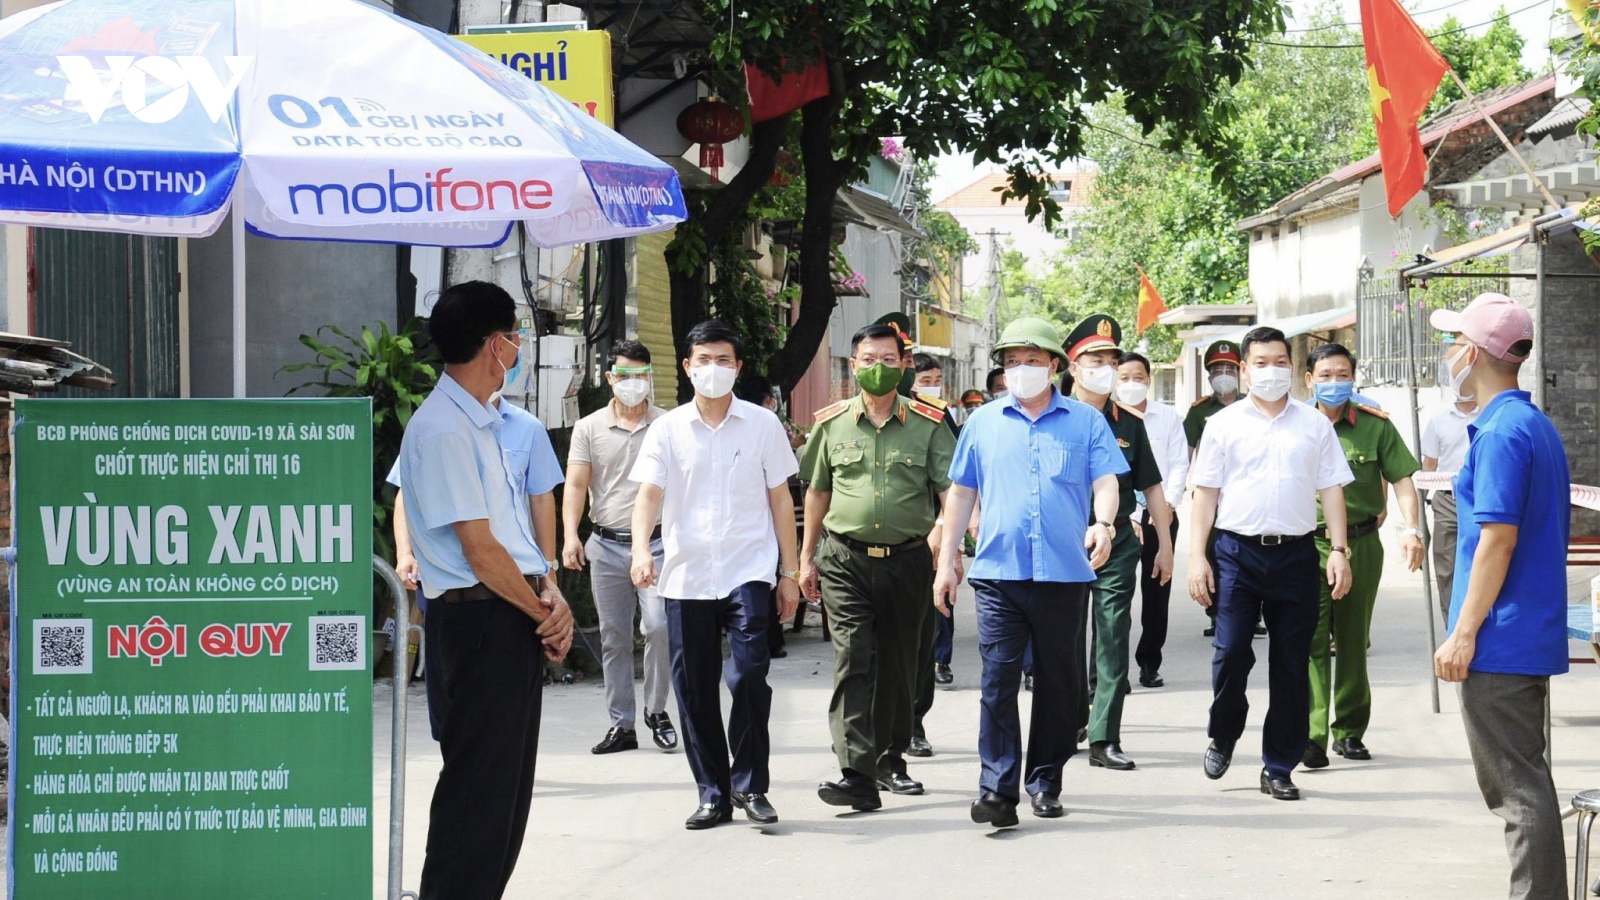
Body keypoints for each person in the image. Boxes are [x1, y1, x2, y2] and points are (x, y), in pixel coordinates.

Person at [395, 280, 574, 900]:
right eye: (515, 334)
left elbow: (512, 532)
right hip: (480, 622)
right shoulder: (444, 427)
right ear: (496, 344)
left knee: (504, 792)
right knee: (477, 791)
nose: (520, 345)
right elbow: (478, 548)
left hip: (506, 613)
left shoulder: (486, 421)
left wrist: (548, 592)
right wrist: (540, 612)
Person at [934, 317, 1124, 828]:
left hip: (1064, 575)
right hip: (998, 574)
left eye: (1032, 361)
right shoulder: (983, 423)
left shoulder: (1085, 422)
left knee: (1060, 685)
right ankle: (996, 789)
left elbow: (1106, 480)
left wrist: (1103, 524)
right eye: (1012, 362)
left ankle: (1045, 779)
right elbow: (961, 493)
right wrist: (946, 561)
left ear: (1054, 366)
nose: (1022, 370)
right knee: (997, 680)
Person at [628, 320, 802, 831]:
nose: (712, 369)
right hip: (686, 574)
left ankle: (750, 785)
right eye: (702, 360)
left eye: (723, 360)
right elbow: (649, 496)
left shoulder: (763, 425)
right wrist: (642, 550)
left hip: (748, 568)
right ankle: (712, 793)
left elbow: (778, 498)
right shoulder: (667, 428)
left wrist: (788, 573)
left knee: (750, 674)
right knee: (694, 686)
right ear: (686, 367)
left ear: (738, 367)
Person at [1431, 293, 1570, 900]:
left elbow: (1496, 541)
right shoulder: (1529, 423)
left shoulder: (1502, 432)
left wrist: (1463, 631)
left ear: (1475, 353)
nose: (1450, 353)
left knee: (1517, 790)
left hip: (1500, 637)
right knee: (1526, 783)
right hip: (1523, 632)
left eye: (1455, 341)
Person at [1187, 326, 1352, 803]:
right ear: (1244, 370)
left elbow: (1332, 489)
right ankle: (1223, 733)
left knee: (1291, 664)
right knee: (1232, 652)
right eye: (1261, 362)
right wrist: (1197, 556)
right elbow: (1205, 495)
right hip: (1237, 553)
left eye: (1280, 361)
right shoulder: (1223, 424)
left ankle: (1279, 764)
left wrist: (1338, 551)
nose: (1271, 370)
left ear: (1292, 368)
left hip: (1297, 554)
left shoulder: (1314, 424)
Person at [799, 325, 957, 811]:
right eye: (868, 359)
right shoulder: (831, 424)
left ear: (903, 365)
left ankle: (892, 759)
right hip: (845, 558)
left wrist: (946, 548)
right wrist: (804, 559)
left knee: (899, 664)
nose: (878, 368)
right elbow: (818, 491)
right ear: (853, 365)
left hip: (910, 560)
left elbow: (953, 492)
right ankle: (855, 772)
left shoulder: (929, 424)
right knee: (853, 660)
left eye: (889, 359)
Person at [390, 378, 564, 740]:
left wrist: (548, 574)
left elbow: (540, 499)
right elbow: (409, 492)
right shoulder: (441, 426)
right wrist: (405, 551)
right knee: (458, 712)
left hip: (515, 583)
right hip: (458, 586)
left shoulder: (525, 428)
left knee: (504, 729)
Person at [1298, 344, 1424, 771]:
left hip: (1362, 543)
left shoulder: (1374, 426)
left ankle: (1349, 731)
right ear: (1309, 380)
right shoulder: (1293, 424)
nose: (1335, 382)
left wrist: (1411, 528)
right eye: (1326, 375)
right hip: (1307, 545)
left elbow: (1404, 479)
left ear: (1354, 378)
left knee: (1352, 638)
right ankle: (1311, 734)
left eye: (1343, 374)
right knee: (1310, 638)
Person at [1064, 315, 1173, 772]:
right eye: (1095, 359)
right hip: (1062, 541)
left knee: (1112, 635)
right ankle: (1068, 721)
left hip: (1119, 541)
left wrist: (1164, 544)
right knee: (1063, 639)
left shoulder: (1128, 421)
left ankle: (1104, 735)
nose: (1105, 368)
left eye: (1112, 359)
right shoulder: (1050, 416)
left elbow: (1151, 488)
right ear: (1073, 366)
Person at [561, 340, 677, 756]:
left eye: (641, 376)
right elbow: (575, 484)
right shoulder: (589, 427)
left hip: (660, 544)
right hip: (606, 545)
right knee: (613, 637)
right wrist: (570, 535)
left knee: (659, 627)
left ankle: (657, 711)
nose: (633, 384)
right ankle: (621, 724)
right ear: (610, 378)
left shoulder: (668, 423)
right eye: (624, 376)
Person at [1116, 351, 1189, 689]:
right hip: (1120, 518)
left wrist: (1168, 505)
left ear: (1149, 379)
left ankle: (1149, 662)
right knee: (1117, 594)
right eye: (1124, 378)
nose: (1132, 384)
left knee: (1157, 591)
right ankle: (1115, 667)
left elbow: (1178, 463)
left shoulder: (1167, 417)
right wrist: (1129, 513)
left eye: (1138, 377)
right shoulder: (1107, 417)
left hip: (1160, 516)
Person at [1184, 339, 1244, 638]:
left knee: (1249, 552)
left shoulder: (1253, 404)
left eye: (1229, 368)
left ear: (1239, 371)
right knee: (1214, 551)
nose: (1223, 374)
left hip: (1246, 495)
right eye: (1217, 369)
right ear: (1209, 376)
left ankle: (1251, 611)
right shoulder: (1200, 412)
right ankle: (1216, 612)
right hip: (1210, 496)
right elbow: (1186, 451)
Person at [738, 372, 799, 659]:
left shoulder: (765, 425)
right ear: (769, 400)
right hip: (761, 524)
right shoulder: (766, 424)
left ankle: (768, 639)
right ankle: (772, 639)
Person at [911, 352, 959, 689]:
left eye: (935, 380)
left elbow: (956, 478)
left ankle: (941, 658)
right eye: (924, 380)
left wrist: (946, 526)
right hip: (908, 523)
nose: (932, 387)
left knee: (941, 590)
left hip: (939, 520)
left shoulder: (941, 416)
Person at [1421, 390, 1478, 625]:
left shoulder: (1490, 413)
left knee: (1483, 562)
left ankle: (1480, 627)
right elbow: (1429, 466)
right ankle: (1452, 627)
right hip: (1447, 499)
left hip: (1481, 496)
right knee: (1447, 569)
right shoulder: (1439, 420)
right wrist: (1414, 519)